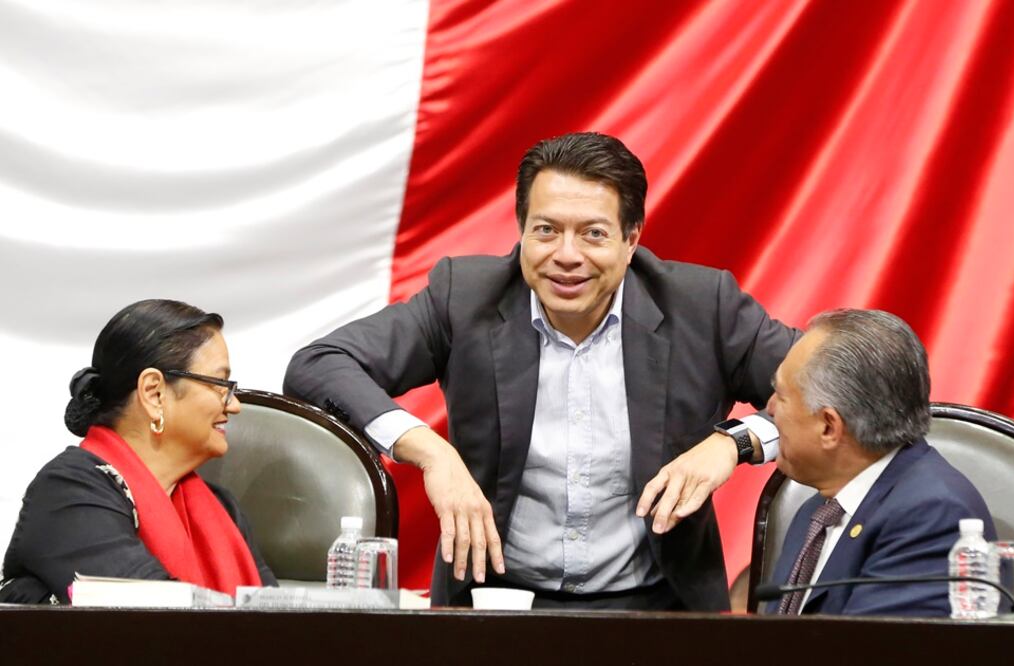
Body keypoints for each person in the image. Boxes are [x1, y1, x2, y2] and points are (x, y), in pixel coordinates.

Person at [285, 132, 799, 610]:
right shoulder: (463, 299)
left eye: (593, 234)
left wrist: (732, 443)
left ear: (631, 239)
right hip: (496, 603)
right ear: (522, 232)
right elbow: (319, 365)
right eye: (546, 231)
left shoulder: (702, 307)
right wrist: (431, 452)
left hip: (659, 606)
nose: (566, 256)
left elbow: (831, 389)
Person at [0, 300, 276, 604]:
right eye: (220, 384)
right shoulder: (69, 490)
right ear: (154, 393)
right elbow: (153, 619)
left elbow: (282, 620)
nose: (234, 405)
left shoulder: (223, 507)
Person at [763, 309, 994, 616]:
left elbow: (875, 643)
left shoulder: (931, 515)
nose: (770, 408)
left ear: (829, 427)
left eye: (781, 395)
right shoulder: (815, 512)